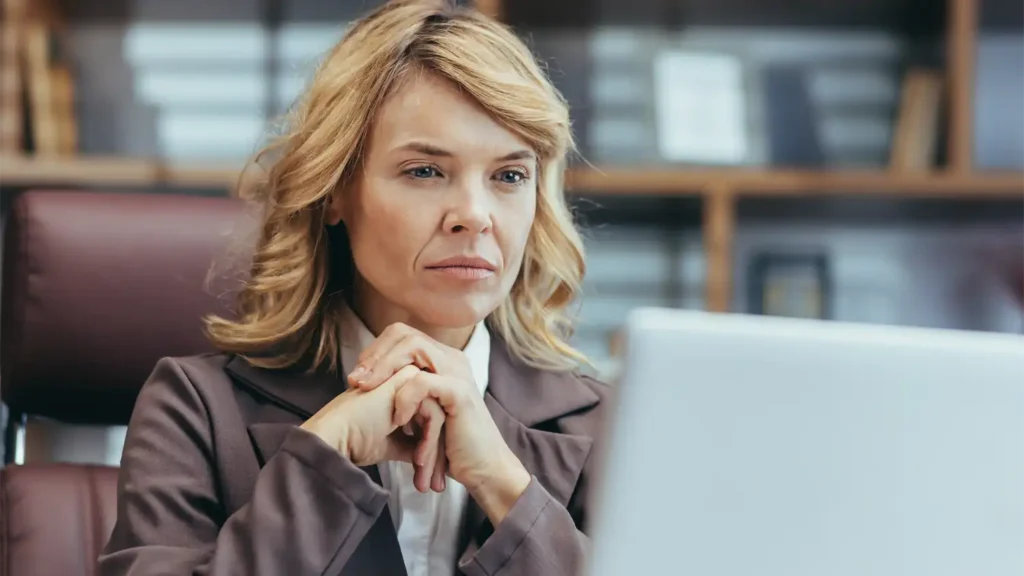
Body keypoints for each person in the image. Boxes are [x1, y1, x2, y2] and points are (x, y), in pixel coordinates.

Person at [97, 1, 610, 575]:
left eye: (509, 176)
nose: (475, 214)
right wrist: (322, 456)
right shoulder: (194, 408)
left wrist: (504, 484)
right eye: (425, 171)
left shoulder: (608, 425)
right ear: (336, 191)